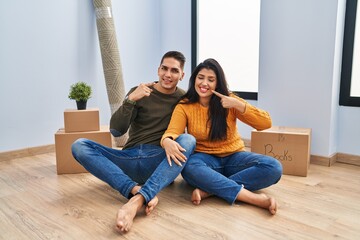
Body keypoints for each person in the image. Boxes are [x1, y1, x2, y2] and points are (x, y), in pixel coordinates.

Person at [71, 51, 196, 232]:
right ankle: (134, 189)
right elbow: (116, 130)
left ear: (182, 75)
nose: (168, 75)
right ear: (158, 69)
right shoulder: (139, 92)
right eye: (164, 68)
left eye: (174, 71)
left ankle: (138, 199)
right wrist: (130, 100)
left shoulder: (184, 99)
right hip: (127, 158)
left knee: (188, 140)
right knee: (79, 145)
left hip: (157, 159)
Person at [161, 58, 282, 215]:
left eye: (211, 79)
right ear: (194, 79)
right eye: (200, 77)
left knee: (274, 167)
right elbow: (172, 131)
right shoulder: (184, 105)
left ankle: (210, 190)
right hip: (204, 159)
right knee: (189, 169)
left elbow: (265, 123)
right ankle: (252, 198)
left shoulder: (229, 100)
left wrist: (238, 104)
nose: (204, 83)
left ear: (217, 83)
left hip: (234, 157)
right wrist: (167, 141)